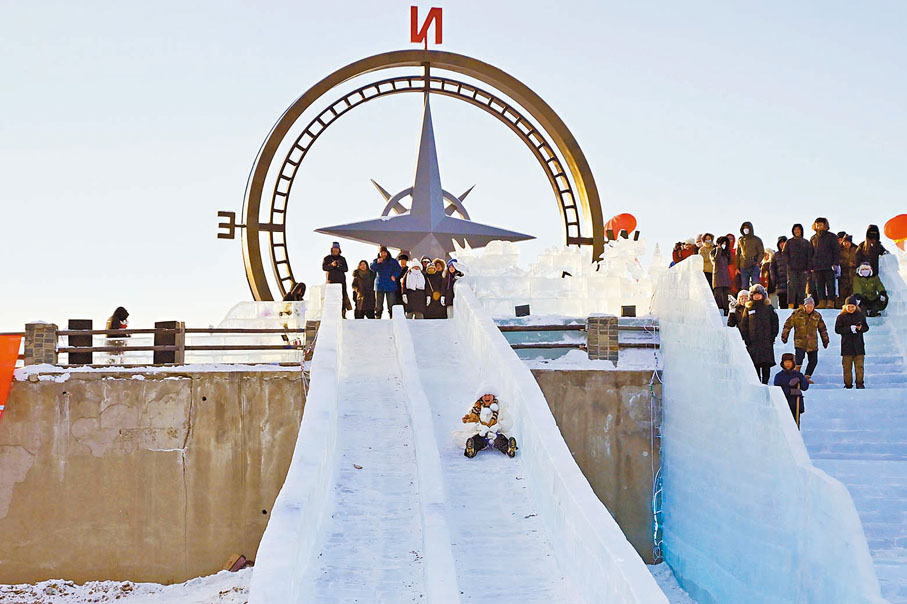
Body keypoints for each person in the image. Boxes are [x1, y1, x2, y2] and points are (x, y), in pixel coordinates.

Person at [781, 297, 829, 384]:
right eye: (808, 306)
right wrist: (785, 336)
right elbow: (788, 325)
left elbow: (822, 329)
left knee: (813, 361)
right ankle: (796, 375)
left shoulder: (817, 315)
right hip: (800, 341)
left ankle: (806, 377)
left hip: (812, 343)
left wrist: (825, 340)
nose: (809, 308)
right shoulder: (797, 313)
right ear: (804, 306)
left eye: (811, 306)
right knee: (799, 359)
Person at [739, 284, 779, 384]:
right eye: (755, 294)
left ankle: (765, 382)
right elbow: (744, 324)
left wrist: (772, 337)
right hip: (753, 343)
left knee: (766, 364)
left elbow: (775, 323)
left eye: (759, 294)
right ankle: (757, 382)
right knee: (754, 364)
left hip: (766, 342)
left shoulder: (769, 307)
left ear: (763, 295)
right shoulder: (748, 308)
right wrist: (746, 339)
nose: (757, 296)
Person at [461, 389, 518, 458]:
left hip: (496, 433)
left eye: (489, 395)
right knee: (477, 440)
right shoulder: (475, 408)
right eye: (485, 395)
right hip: (481, 433)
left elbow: (509, 421)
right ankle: (471, 450)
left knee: (501, 441)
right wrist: (479, 427)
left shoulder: (501, 407)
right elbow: (468, 424)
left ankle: (509, 449)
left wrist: (498, 426)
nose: (487, 397)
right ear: (481, 397)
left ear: (493, 396)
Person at [835, 296, 869, 389]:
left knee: (859, 367)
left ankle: (860, 383)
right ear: (845, 306)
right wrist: (849, 329)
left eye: (852, 307)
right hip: (846, 346)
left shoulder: (860, 316)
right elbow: (837, 329)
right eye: (849, 306)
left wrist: (860, 328)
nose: (850, 309)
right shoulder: (841, 317)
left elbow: (866, 328)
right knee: (847, 368)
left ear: (855, 307)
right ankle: (848, 384)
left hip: (859, 346)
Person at [809, 217, 840, 308]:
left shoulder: (832, 237)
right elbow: (810, 253)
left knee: (831, 285)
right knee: (819, 285)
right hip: (817, 266)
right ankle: (821, 302)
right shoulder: (813, 238)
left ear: (825, 225)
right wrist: (811, 265)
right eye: (817, 225)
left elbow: (836, 251)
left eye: (821, 224)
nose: (819, 226)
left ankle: (831, 302)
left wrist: (835, 263)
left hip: (829, 265)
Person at [773, 352, 809, 429]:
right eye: (786, 362)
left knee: (795, 425)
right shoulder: (779, 376)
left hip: (796, 404)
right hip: (784, 404)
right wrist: (790, 391)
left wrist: (801, 380)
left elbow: (805, 387)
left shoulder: (798, 375)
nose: (788, 364)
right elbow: (777, 391)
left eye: (789, 362)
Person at [783, 224, 813, 309]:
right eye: (795, 230)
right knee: (791, 288)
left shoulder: (806, 242)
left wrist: (808, 268)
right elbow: (784, 254)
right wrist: (789, 263)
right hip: (792, 269)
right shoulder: (789, 242)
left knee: (802, 288)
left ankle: (801, 307)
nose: (797, 231)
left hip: (803, 269)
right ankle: (790, 306)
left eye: (798, 230)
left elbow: (810, 256)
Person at [370, 246, 401, 319]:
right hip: (379, 285)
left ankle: (392, 317)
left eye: (384, 252)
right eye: (382, 253)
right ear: (379, 253)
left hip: (390, 285)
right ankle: (378, 317)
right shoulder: (376, 261)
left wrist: (394, 275)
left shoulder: (393, 261)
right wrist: (377, 262)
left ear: (387, 253)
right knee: (378, 304)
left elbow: (398, 269)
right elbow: (372, 267)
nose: (383, 254)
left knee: (391, 303)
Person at [322, 242, 350, 318]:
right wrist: (331, 265)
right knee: (331, 299)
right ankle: (331, 315)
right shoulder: (327, 258)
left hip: (341, 282)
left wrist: (338, 265)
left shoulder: (342, 259)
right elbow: (324, 268)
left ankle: (343, 314)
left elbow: (346, 269)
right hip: (331, 282)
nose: (335, 250)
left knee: (342, 298)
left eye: (337, 249)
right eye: (334, 249)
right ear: (332, 249)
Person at [736, 221, 765, 290]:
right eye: (744, 228)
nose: (745, 229)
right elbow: (737, 254)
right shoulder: (740, 240)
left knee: (755, 285)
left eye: (747, 228)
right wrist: (737, 266)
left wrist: (758, 262)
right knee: (744, 286)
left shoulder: (757, 240)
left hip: (754, 265)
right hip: (743, 266)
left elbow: (761, 252)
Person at [711, 236, 733, 313]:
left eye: (725, 243)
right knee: (718, 294)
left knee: (726, 294)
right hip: (717, 275)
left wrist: (729, 252)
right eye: (722, 243)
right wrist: (719, 250)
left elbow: (730, 262)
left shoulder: (726, 253)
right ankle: (717, 309)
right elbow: (715, 260)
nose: (724, 245)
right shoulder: (713, 251)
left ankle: (726, 309)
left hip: (725, 276)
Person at [837, 234, 857, 309]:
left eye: (848, 242)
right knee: (842, 293)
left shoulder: (855, 249)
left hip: (853, 274)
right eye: (845, 242)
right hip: (843, 274)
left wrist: (855, 264)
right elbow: (838, 260)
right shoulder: (839, 250)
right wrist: (846, 263)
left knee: (852, 293)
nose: (846, 244)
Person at [770, 236, 789, 309]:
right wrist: (774, 281)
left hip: (791, 284)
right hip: (780, 285)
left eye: (784, 242)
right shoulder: (776, 255)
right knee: (783, 305)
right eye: (780, 243)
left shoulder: (791, 254)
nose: (782, 244)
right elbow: (772, 269)